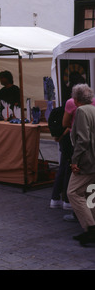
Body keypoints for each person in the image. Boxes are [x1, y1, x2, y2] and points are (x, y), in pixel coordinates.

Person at [67, 84, 95, 245]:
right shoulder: (93, 109)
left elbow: (83, 139)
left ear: (76, 99)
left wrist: (75, 160)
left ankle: (91, 228)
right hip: (92, 159)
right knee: (90, 193)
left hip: (86, 161)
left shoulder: (82, 111)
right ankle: (90, 227)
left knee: (73, 192)